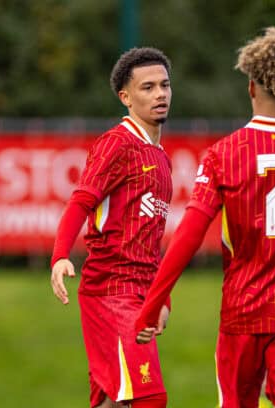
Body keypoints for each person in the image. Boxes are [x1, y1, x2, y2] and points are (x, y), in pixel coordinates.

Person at [134, 27, 275, 408]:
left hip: (242, 310)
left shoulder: (223, 155)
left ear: (251, 87)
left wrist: (153, 303)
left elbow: (188, 235)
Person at [50, 47, 173, 408]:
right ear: (126, 97)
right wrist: (60, 256)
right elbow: (81, 202)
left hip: (139, 292)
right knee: (149, 397)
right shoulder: (116, 144)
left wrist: (161, 298)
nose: (160, 94)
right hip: (111, 291)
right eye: (147, 87)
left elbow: (150, 239)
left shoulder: (160, 156)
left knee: (113, 400)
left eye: (164, 85)